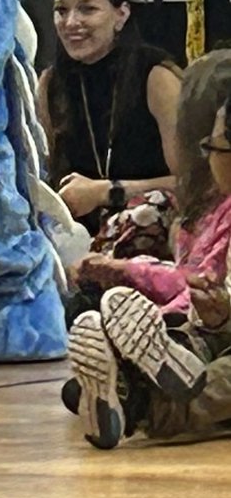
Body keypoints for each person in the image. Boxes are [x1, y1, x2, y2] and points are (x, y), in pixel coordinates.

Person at [65, 80, 231, 450]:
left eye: (211, 146)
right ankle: (138, 374)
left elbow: (192, 281)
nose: (202, 154)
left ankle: (137, 399)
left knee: (218, 369)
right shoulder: (203, 209)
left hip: (197, 326)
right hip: (201, 324)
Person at [38, 0, 181, 233]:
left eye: (87, 9)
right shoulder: (51, 83)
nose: (71, 22)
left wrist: (109, 192)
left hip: (157, 236)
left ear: (121, 15)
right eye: (61, 10)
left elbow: (195, 184)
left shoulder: (156, 76)